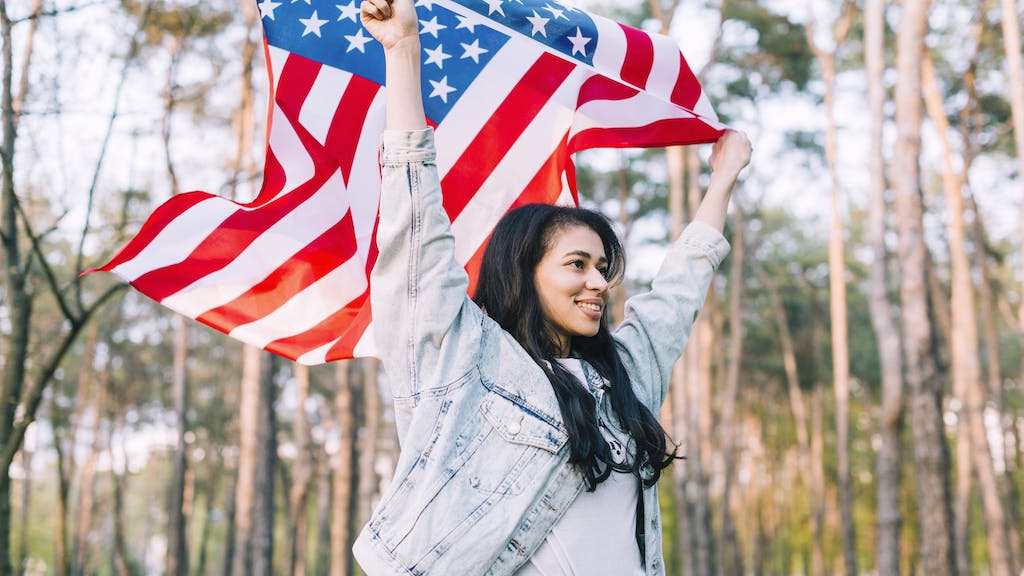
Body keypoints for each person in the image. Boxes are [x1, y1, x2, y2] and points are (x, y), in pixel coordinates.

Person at [354, 0, 752, 573]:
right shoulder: (469, 356)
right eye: (577, 264)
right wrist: (402, 51)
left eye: (602, 266)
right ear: (525, 271)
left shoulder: (625, 375)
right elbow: (413, 231)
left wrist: (723, 181)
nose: (598, 282)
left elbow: (678, 292)